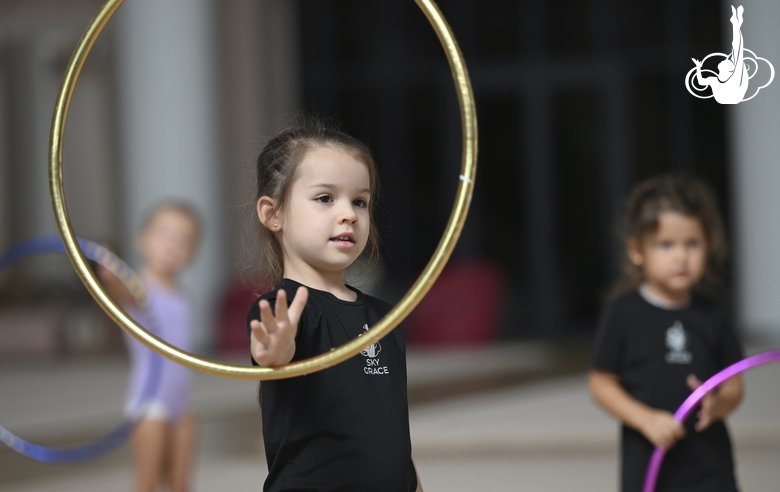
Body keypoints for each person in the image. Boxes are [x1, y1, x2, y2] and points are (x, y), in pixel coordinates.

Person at [245, 116, 422, 491]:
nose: (348, 214)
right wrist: (274, 353)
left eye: (360, 201)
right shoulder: (283, 310)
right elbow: (276, 351)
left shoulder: (384, 315)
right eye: (325, 198)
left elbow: (393, 439)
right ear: (272, 214)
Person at [589, 175, 744, 492]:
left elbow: (735, 384)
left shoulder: (714, 316)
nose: (680, 257)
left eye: (692, 243)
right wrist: (645, 419)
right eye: (665, 245)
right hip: (651, 470)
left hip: (710, 471)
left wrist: (718, 405)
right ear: (637, 250)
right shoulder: (623, 315)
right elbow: (601, 383)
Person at [100, 203, 200, 492]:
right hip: (149, 402)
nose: (171, 245)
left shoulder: (182, 295)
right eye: (163, 234)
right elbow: (122, 292)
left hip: (182, 401)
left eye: (182, 240)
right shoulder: (138, 288)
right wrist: (111, 275)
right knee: (147, 483)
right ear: (142, 238)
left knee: (180, 485)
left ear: (191, 253)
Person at [692, 5, 748, 104]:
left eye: (727, 61)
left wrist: (736, 25)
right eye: (728, 60)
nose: (725, 59)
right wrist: (698, 67)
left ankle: (736, 23)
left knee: (736, 49)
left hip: (732, 96)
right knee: (736, 50)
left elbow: (737, 48)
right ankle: (736, 23)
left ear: (729, 69)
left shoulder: (734, 78)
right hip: (729, 97)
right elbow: (701, 82)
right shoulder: (715, 80)